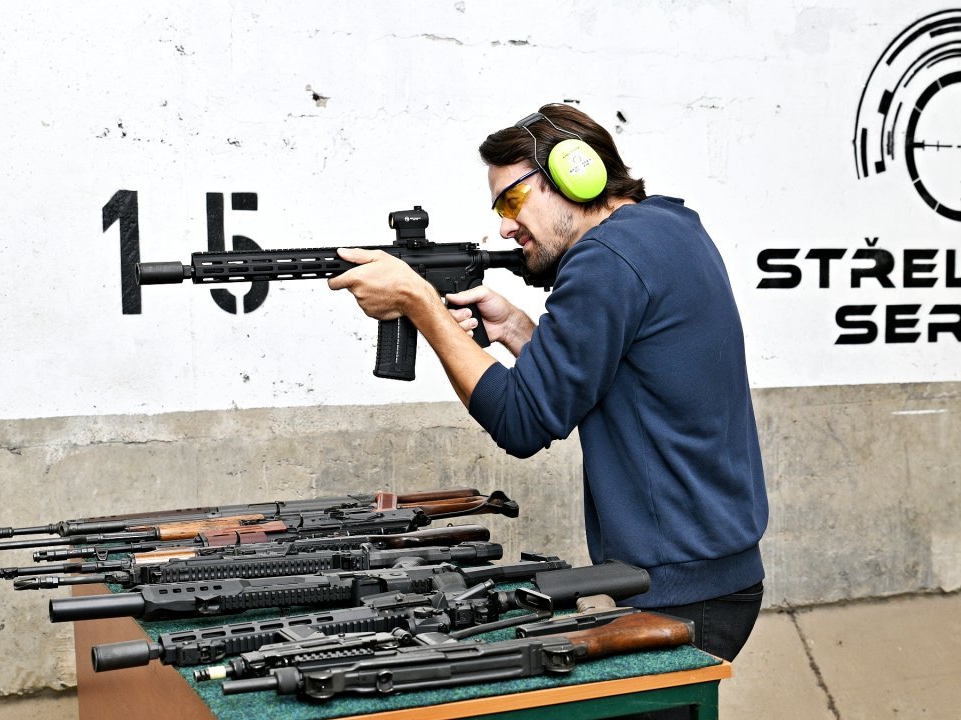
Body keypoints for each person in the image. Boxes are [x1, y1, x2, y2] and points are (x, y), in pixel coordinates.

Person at [329, 104, 768, 667]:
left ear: (573, 175)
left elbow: (521, 422)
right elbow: (624, 374)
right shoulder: (668, 227)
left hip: (679, 591)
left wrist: (420, 304)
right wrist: (516, 329)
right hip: (714, 574)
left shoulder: (605, 259)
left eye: (512, 201)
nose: (505, 227)